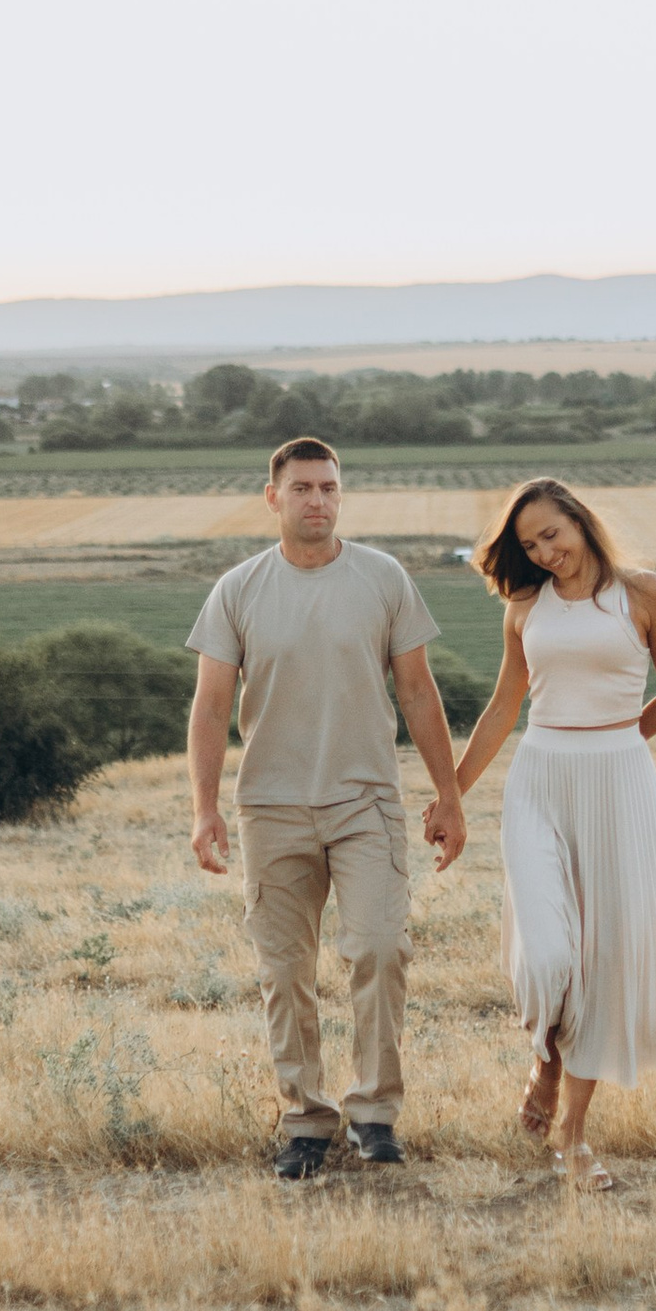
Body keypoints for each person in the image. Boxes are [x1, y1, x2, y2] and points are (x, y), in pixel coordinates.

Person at [188, 436, 467, 1180]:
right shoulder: (238, 589)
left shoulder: (383, 578)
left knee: (378, 946)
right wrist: (204, 809)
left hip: (366, 799)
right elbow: (212, 706)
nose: (318, 500)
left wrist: (449, 794)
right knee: (285, 971)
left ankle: (374, 1114)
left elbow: (417, 691)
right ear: (272, 496)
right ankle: (305, 1121)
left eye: (330, 488)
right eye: (304, 487)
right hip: (271, 806)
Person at [451, 477, 656, 1189]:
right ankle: (546, 1058)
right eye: (530, 545)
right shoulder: (525, 607)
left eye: (552, 534)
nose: (545, 552)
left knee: (605, 960)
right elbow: (504, 706)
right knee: (551, 953)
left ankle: (574, 1136)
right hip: (540, 781)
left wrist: (617, 744)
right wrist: (451, 796)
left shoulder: (644, 594)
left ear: (581, 522)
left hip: (619, 785)